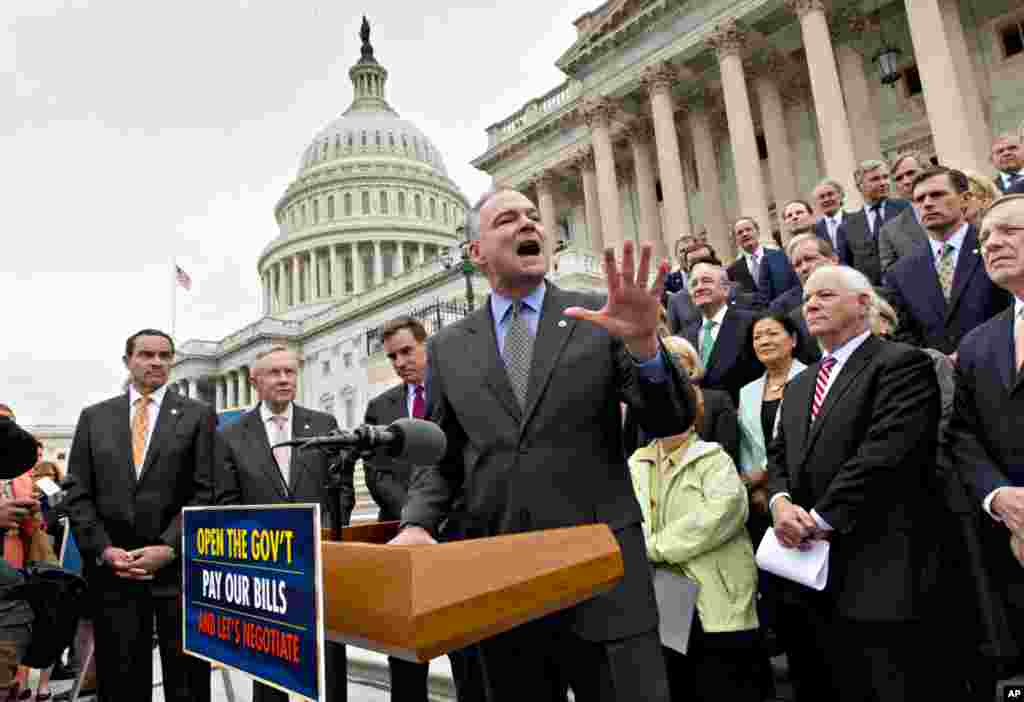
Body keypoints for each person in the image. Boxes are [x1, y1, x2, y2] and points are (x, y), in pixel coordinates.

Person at [390, 188, 696, 702]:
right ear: (475, 253)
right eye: (507, 219)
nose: (528, 224)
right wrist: (418, 523)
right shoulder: (447, 348)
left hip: (604, 578)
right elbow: (442, 457)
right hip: (502, 584)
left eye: (534, 216)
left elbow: (671, 419)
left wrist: (646, 348)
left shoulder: (598, 317)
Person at [765, 265, 940, 702]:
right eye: (807, 299)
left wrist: (819, 519)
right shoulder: (801, 382)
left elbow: (885, 453)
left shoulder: (901, 363)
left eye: (825, 295)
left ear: (863, 304)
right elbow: (781, 454)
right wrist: (781, 505)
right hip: (810, 575)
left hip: (879, 566)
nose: (811, 304)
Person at [64, 329, 214, 702]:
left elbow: (207, 491)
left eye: (165, 355)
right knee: (120, 682)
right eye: (146, 355)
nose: (156, 362)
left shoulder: (198, 416)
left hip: (177, 574)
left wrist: (168, 547)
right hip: (114, 574)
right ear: (127, 361)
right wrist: (103, 549)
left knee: (187, 682)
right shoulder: (95, 417)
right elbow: (78, 493)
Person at [215, 346, 350, 702]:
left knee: (328, 662)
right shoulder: (231, 435)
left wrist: (329, 530)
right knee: (273, 668)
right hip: (267, 567)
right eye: (274, 373)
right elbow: (227, 502)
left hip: (320, 561)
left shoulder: (323, 425)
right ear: (254, 380)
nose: (284, 380)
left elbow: (343, 488)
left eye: (290, 372)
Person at [628, 381, 761, 702]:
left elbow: (721, 514)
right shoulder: (636, 462)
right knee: (679, 680)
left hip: (716, 588)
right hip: (666, 588)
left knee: (724, 681)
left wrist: (653, 547)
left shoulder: (715, 459)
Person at [946, 193, 1024, 694]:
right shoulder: (977, 343)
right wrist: (1001, 498)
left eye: (1009, 232)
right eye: (985, 237)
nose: (992, 243)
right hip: (1012, 542)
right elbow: (962, 432)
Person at [886, 167, 1011, 356]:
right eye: (920, 199)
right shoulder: (901, 271)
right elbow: (903, 334)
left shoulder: (996, 248)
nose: (927, 204)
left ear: (965, 199)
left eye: (937, 195)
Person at [683, 262, 764, 405]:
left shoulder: (751, 323)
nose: (699, 287)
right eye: (694, 284)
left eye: (706, 281)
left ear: (726, 289)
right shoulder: (684, 337)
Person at [841, 159, 912, 285]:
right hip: (873, 295)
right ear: (859, 186)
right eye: (875, 179)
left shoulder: (906, 208)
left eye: (885, 177)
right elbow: (848, 267)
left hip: (910, 285)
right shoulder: (847, 226)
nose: (883, 183)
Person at [726, 217, 799, 308]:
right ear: (735, 239)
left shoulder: (780, 256)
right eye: (740, 233)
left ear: (757, 232)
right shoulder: (732, 271)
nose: (745, 234)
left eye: (748, 229)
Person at [879, 152, 928, 275]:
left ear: (927, 171)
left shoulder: (959, 209)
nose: (906, 181)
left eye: (911, 173)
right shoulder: (889, 231)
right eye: (899, 178)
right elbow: (890, 276)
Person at [812, 179, 850, 265]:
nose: (826, 199)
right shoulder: (814, 230)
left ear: (841, 196)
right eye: (822, 197)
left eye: (830, 194)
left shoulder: (855, 221)